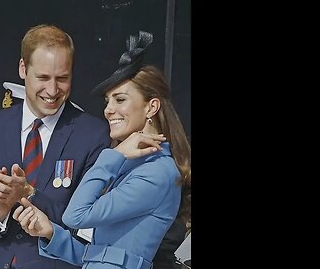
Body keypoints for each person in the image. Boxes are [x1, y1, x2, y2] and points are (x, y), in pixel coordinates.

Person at [12, 31, 191, 269]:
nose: (108, 109)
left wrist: (114, 155)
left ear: (152, 107)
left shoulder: (158, 172)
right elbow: (100, 256)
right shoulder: (136, 166)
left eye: (120, 99)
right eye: (108, 101)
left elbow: (75, 216)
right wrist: (50, 232)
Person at [0, 24, 111, 269]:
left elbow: (89, 227)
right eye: (43, 78)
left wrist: (29, 194)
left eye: (62, 78)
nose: (52, 90)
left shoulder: (93, 134)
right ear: (23, 69)